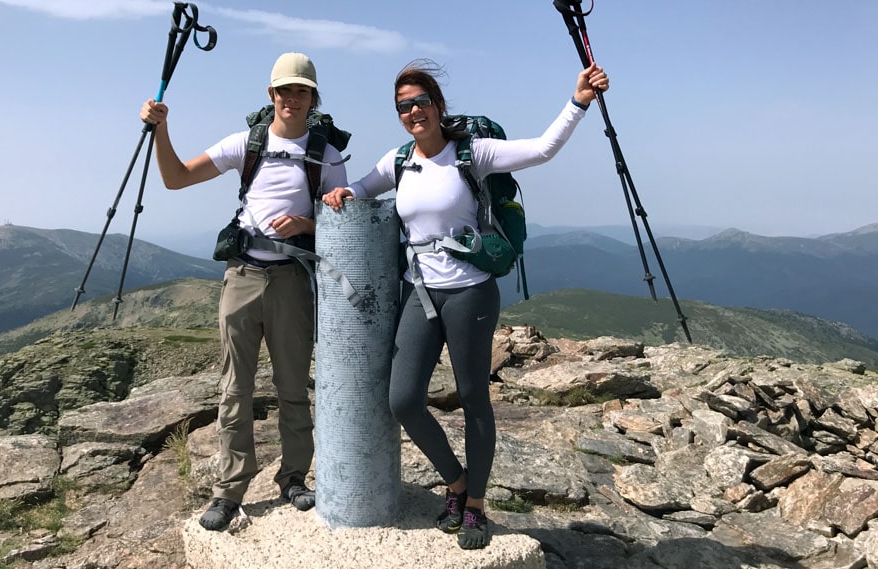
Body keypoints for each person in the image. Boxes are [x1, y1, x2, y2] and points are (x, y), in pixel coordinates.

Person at [322, 59, 608, 549]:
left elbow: (540, 149)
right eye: (403, 107)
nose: (413, 112)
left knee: (474, 396)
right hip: (419, 291)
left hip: (470, 289)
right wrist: (339, 194)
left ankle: (474, 505)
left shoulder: (470, 154)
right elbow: (361, 189)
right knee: (404, 399)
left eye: (420, 102)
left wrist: (578, 100)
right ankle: (455, 483)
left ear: (437, 105)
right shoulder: (398, 161)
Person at [141, 52, 349, 532]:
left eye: (301, 91)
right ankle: (229, 491)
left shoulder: (326, 155)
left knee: (293, 385)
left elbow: (343, 220)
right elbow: (176, 178)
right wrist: (160, 130)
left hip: (293, 278)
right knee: (234, 388)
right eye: (283, 90)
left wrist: (307, 222)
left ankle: (293, 477)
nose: (291, 98)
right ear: (270, 95)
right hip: (243, 275)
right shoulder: (248, 143)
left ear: (313, 97)